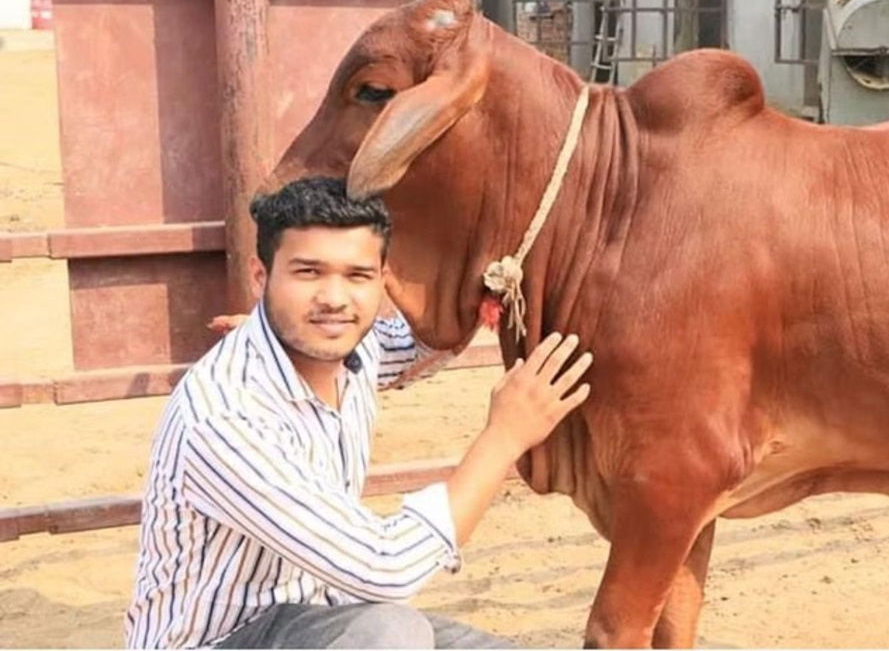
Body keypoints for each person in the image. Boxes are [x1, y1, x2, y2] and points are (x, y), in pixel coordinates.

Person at [124, 177, 592, 649]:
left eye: (357, 276)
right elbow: (385, 569)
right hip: (216, 641)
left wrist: (479, 288)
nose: (334, 299)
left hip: (315, 619)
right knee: (390, 631)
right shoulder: (225, 417)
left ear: (382, 277)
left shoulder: (357, 352)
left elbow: (422, 344)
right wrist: (505, 437)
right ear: (261, 277)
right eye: (308, 273)